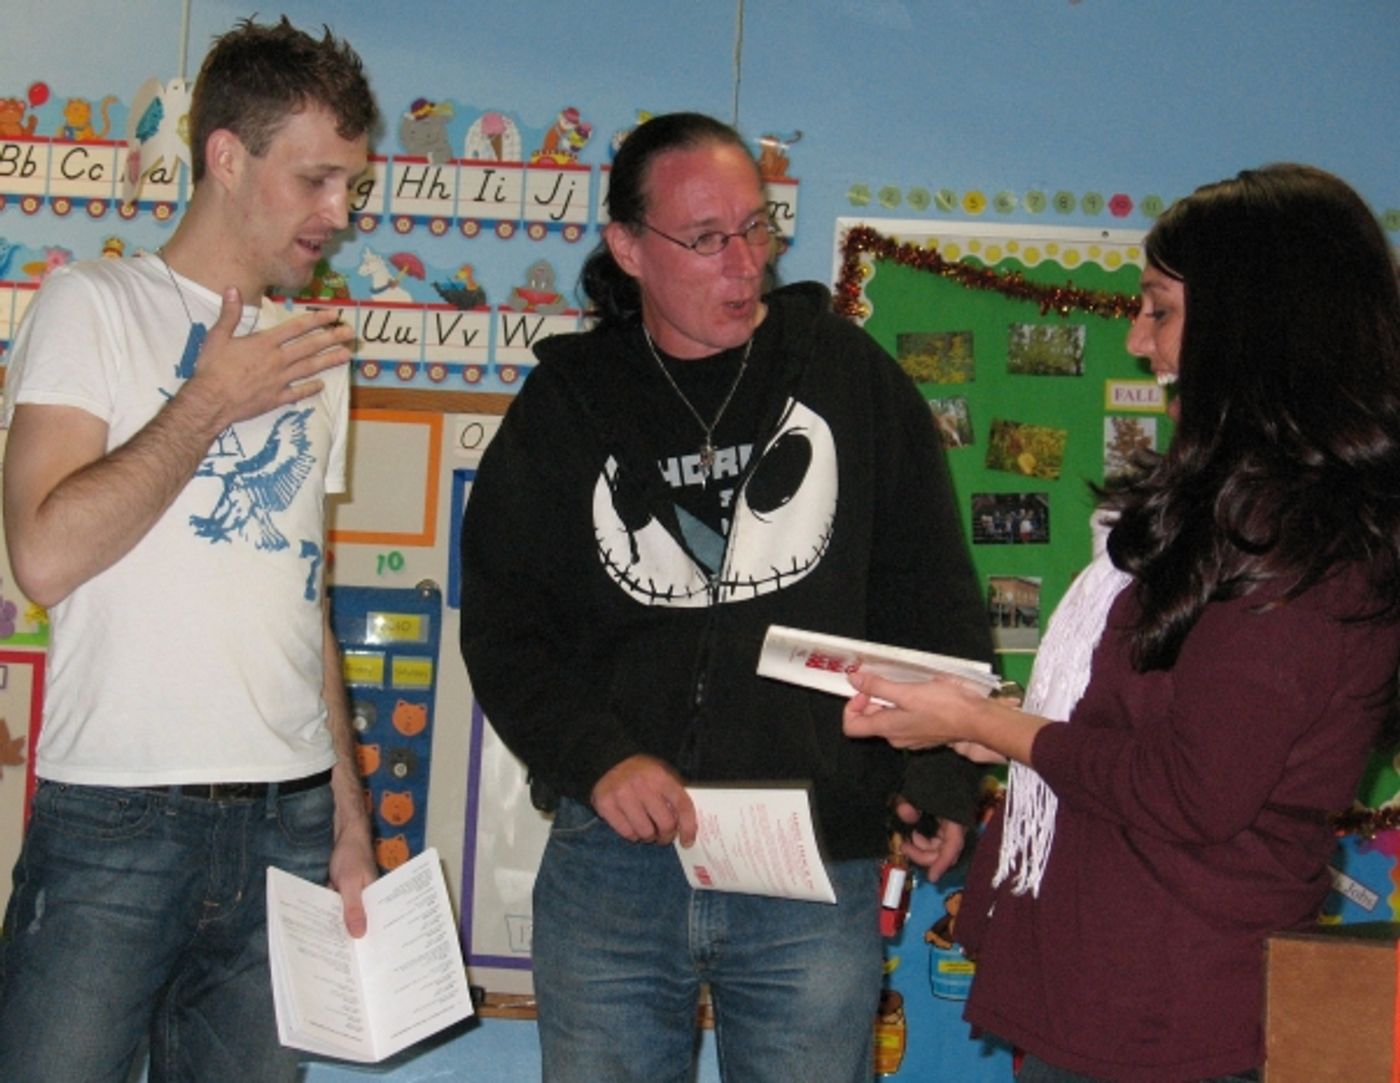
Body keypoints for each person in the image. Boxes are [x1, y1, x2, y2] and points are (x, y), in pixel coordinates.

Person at [459, 111, 992, 1082]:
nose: (742, 265)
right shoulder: (567, 406)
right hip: (614, 855)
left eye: (756, 229)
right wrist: (600, 757)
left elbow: (931, 597)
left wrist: (945, 780)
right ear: (627, 247)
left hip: (808, 857)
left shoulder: (846, 377)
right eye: (706, 240)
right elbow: (504, 629)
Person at [843, 163, 1400, 1083]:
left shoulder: (1299, 541)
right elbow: (1139, 726)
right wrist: (981, 725)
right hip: (1107, 983)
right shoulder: (1224, 506)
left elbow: (1192, 791)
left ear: (1253, 323)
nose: (1139, 338)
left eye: (1160, 308)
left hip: (1172, 1012)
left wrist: (986, 724)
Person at [0, 18, 379, 1083]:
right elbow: (42, 554)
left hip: (290, 821)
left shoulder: (312, 351)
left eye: (348, 185)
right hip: (116, 821)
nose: (337, 215)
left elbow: (298, 600)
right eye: (314, 180)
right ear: (225, 156)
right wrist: (210, 399)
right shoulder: (92, 304)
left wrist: (348, 819)